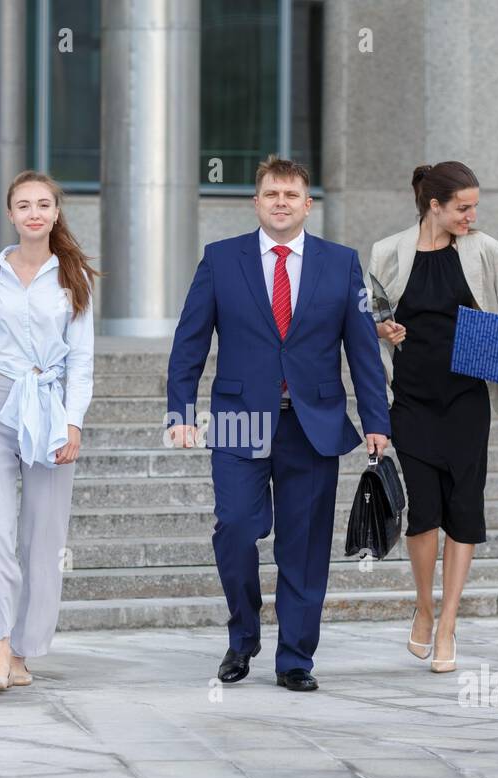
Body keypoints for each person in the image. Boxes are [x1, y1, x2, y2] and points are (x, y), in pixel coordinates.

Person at [166, 155, 390, 693]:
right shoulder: (222, 260)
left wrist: (376, 418)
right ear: (257, 202)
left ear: (307, 204)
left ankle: (295, 658)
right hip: (239, 421)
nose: (282, 203)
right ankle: (243, 635)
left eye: (292, 195)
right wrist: (181, 411)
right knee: (238, 527)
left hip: (313, 422)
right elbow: (189, 341)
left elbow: (362, 349)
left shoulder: (341, 264)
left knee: (305, 544)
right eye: (272, 194)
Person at [0, 171, 96, 693]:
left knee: (43, 536)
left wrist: (73, 422)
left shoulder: (73, 276)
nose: (34, 212)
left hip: (50, 409)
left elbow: (82, 362)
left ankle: (27, 650)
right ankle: (0, 650)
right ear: (10, 214)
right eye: (23, 204)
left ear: (55, 213)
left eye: (43, 204)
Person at [367, 162, 498, 673]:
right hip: (410, 399)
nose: (471, 216)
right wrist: (382, 331)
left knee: (464, 508)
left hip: (467, 400)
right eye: (463, 207)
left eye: (475, 206)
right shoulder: (388, 252)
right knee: (423, 509)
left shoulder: (485, 250)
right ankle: (425, 607)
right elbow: (369, 318)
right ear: (434, 205)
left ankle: (449, 621)